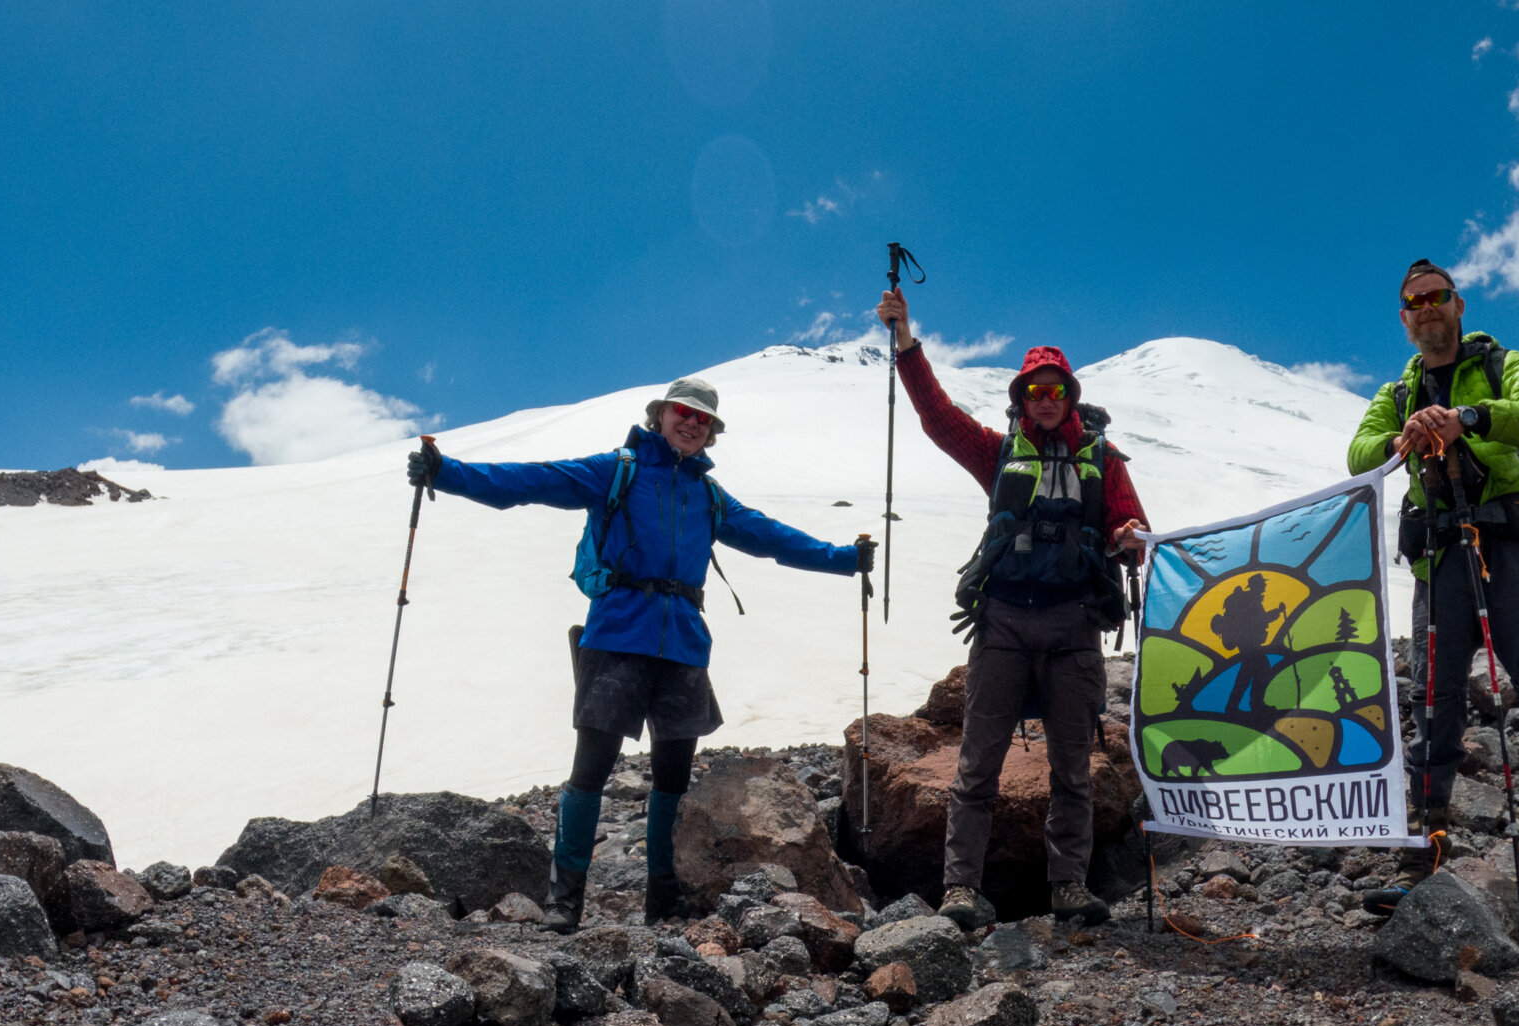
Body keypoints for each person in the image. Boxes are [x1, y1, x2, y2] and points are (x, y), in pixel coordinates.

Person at [408, 377, 870, 932]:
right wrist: (447, 472)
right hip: (618, 635)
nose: (692, 423)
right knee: (591, 770)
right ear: (661, 415)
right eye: (684, 412)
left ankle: (663, 900)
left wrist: (844, 559)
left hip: (682, 645)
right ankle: (565, 901)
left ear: (711, 433)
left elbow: (772, 538)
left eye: (703, 419)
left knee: (672, 777)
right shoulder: (617, 469)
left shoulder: (710, 496)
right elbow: (531, 481)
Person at [1345, 260, 1519, 924]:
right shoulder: (1397, 393)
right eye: (1415, 302)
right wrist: (1401, 438)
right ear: (1405, 319)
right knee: (1432, 709)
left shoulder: (1502, 364)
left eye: (1437, 297)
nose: (1428, 308)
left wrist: (1468, 418)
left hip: (1511, 551)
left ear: (1458, 305)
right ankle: (1421, 867)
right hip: (1440, 561)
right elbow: (1359, 456)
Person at [876, 286, 1149, 928]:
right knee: (977, 766)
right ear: (1021, 399)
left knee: (1073, 771)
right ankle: (962, 890)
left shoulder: (1103, 460)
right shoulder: (998, 453)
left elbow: (1130, 522)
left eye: (1055, 390)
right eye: (1035, 391)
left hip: (1074, 624)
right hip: (1003, 621)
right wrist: (906, 342)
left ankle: (1068, 887)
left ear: (1071, 395)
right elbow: (939, 419)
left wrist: (1127, 535)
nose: (1046, 400)